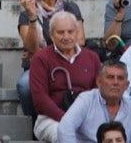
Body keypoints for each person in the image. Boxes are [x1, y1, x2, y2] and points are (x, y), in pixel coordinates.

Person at [18, 0, 87, 117]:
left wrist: (45, 51)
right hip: (38, 66)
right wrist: (32, 17)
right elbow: (31, 47)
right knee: (24, 85)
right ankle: (34, 122)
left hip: (69, 62)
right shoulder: (27, 13)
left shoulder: (70, 8)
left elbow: (80, 40)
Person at [30, 11, 101, 143]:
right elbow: (40, 100)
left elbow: (98, 94)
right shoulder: (40, 58)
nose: (66, 36)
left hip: (86, 118)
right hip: (51, 119)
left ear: (77, 32)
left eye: (70, 31)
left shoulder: (92, 58)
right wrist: (68, 119)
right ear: (51, 35)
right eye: (60, 32)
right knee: (67, 136)